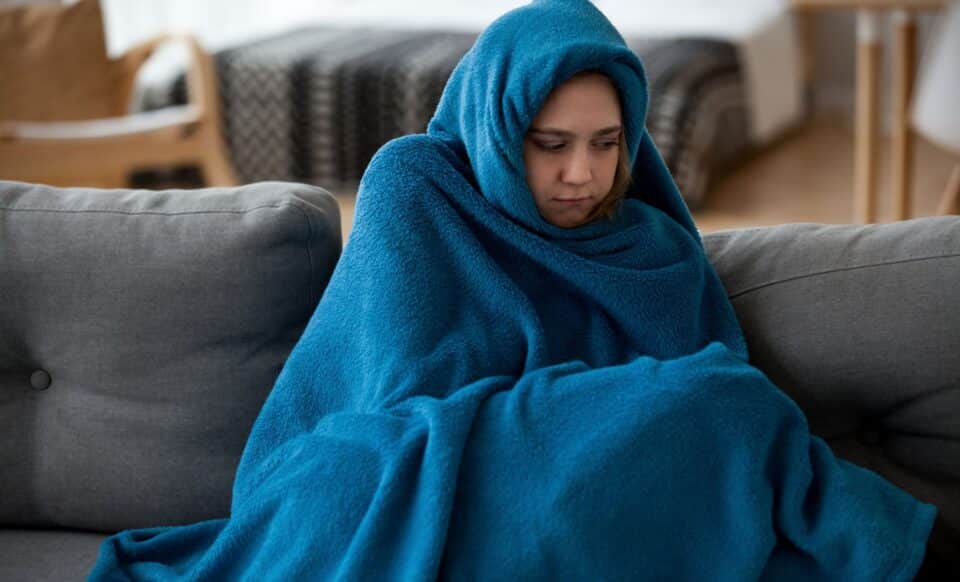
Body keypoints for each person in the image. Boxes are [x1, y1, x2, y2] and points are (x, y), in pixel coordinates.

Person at [89, 1, 939, 579]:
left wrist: (613, 419)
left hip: (574, 495)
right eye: (549, 143)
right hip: (391, 472)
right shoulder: (418, 187)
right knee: (718, 408)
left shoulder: (648, 244)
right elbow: (393, 404)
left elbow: (677, 421)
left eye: (608, 142)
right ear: (499, 125)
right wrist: (573, 416)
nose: (582, 173)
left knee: (725, 406)